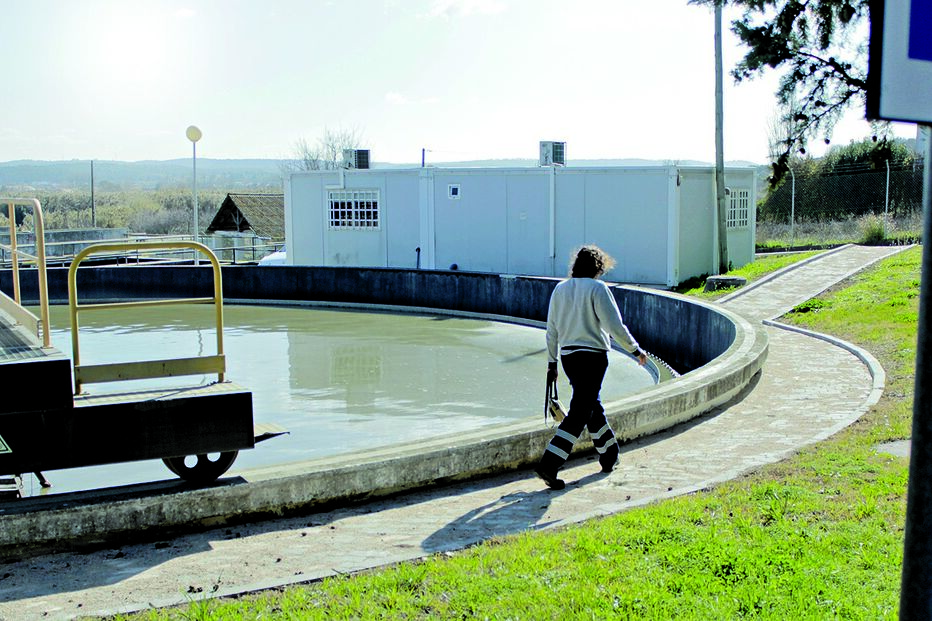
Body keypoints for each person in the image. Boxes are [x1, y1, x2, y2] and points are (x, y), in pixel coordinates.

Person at [535, 245, 648, 490]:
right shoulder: (598, 289)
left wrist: (552, 363)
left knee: (589, 405)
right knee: (580, 411)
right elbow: (614, 326)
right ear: (598, 267)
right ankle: (550, 463)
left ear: (575, 265)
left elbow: (551, 330)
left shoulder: (560, 289)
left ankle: (609, 455)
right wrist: (635, 349)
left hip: (568, 359)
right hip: (593, 357)